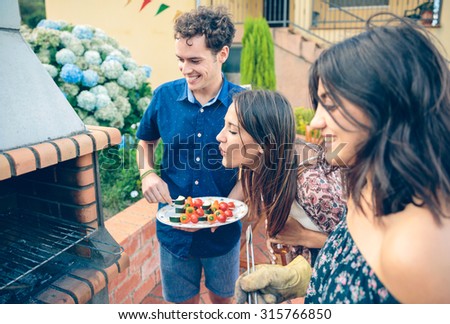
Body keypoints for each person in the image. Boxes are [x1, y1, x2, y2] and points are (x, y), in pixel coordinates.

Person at [234, 14, 450, 303]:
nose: (315, 122)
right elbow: (352, 271)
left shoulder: (414, 250)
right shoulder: (363, 193)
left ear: (387, 108)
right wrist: (300, 279)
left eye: (331, 104)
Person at [136, 6, 244, 304]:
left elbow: (253, 168)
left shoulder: (243, 103)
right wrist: (146, 173)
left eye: (195, 60)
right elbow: (145, 142)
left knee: (224, 302)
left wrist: (226, 210)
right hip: (173, 233)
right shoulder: (163, 96)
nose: (185, 69)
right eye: (181, 60)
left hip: (222, 234)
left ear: (222, 54)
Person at [216, 89, 347, 302]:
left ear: (262, 144)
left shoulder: (312, 187)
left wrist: (305, 237)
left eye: (232, 130)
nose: (219, 136)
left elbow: (363, 249)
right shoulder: (267, 167)